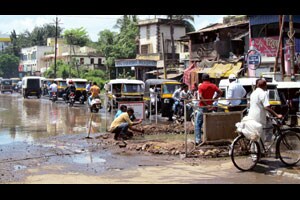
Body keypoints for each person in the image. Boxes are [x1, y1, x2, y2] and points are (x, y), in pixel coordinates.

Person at [248, 79, 282, 146]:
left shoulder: (253, 93)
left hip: (251, 116)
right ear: (265, 86)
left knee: (254, 136)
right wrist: (277, 115)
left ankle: (253, 153)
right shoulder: (263, 93)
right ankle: (259, 153)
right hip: (259, 118)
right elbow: (266, 107)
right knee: (261, 136)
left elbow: (258, 105)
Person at [195, 73, 223, 146]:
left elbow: (200, 97)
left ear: (202, 79)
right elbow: (220, 92)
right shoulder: (213, 86)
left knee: (198, 124)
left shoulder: (201, 86)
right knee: (208, 124)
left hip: (202, 107)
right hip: (210, 106)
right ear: (209, 79)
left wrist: (206, 104)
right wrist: (213, 100)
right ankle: (209, 138)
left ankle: (198, 140)